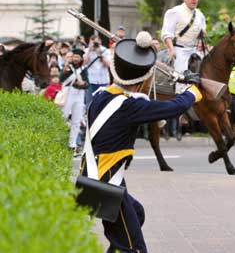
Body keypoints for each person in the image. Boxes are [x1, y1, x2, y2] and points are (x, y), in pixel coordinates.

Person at [82, 31, 202, 253]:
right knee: (134, 248)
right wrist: (193, 90)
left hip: (98, 177)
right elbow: (174, 107)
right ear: (144, 79)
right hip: (106, 182)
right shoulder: (130, 106)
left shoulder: (100, 95)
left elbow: (140, 102)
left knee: (136, 215)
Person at [161, 0, 207, 85]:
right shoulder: (174, 12)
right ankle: (179, 93)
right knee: (180, 78)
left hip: (195, 50)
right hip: (179, 51)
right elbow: (166, 34)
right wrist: (171, 49)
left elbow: (202, 33)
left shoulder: (200, 14)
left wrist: (201, 41)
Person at [61, 48, 89, 155]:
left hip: (79, 95)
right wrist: (65, 68)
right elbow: (61, 78)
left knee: (76, 121)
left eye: (78, 57)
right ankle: (61, 142)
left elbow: (88, 84)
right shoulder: (68, 67)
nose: (76, 59)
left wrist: (83, 83)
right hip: (68, 93)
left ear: (81, 58)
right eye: (74, 57)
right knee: (63, 117)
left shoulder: (84, 69)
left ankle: (72, 144)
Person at [83, 35, 112, 108]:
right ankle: (89, 117)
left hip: (103, 80)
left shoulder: (105, 50)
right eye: (93, 41)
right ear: (89, 42)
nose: (95, 44)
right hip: (90, 80)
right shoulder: (86, 51)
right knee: (89, 102)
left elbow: (109, 64)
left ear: (100, 42)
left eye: (96, 41)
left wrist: (100, 54)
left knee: (103, 102)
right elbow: (83, 63)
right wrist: (89, 50)